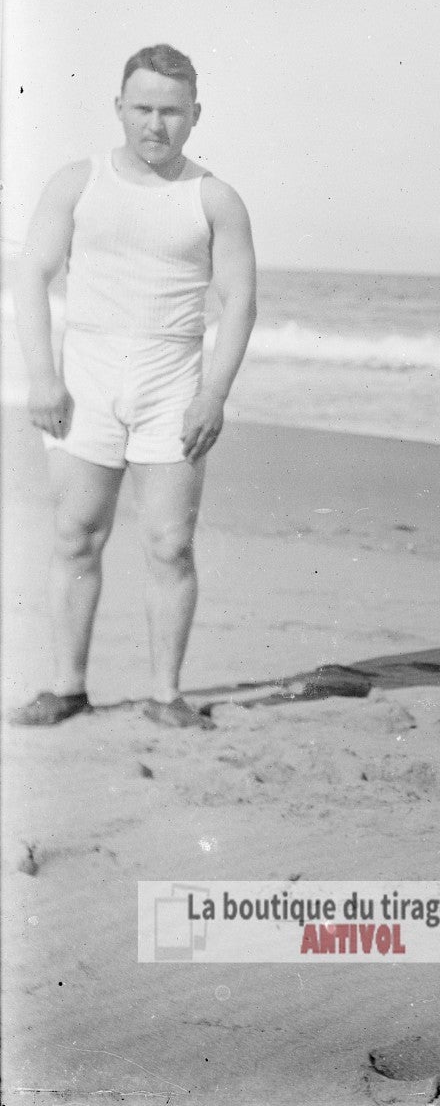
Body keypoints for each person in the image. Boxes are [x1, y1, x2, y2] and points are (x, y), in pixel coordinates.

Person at [9, 46, 256, 729]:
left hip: (172, 380)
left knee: (169, 544)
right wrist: (41, 376)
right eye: (142, 108)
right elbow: (30, 276)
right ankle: (67, 686)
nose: (155, 124)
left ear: (194, 115)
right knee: (75, 535)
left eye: (171, 111)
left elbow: (238, 303)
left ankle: (167, 694)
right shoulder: (76, 182)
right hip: (86, 377)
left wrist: (213, 393)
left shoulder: (214, 197)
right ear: (119, 107)